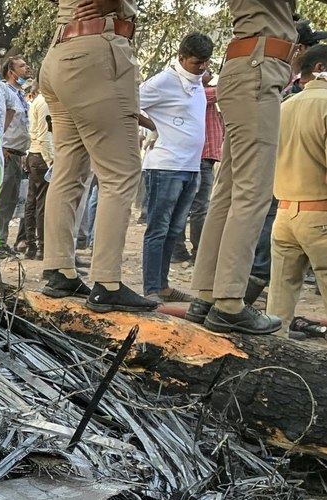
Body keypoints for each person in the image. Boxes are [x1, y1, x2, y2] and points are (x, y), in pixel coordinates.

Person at [37, 0, 156, 313]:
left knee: (68, 168)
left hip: (61, 52)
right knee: (121, 173)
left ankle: (60, 269)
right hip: (97, 49)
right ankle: (108, 282)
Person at [187, 1, 297, 333]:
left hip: (248, 65)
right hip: (259, 66)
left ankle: (208, 294)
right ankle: (230, 302)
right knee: (252, 191)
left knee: (230, 190)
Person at [136, 32, 213, 303]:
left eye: (205, 62)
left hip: (191, 168)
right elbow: (129, 104)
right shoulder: (163, 81)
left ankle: (164, 286)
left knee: (173, 229)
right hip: (165, 167)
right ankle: (151, 289)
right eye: (196, 62)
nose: (202, 67)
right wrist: (154, 126)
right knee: (158, 228)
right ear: (181, 58)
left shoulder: (197, 83)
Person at [267, 43, 327, 338]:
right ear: (320, 68)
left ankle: (268, 367)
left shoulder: (284, 106)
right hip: (320, 215)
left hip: (285, 213)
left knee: (277, 309)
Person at [173, 69, 221, 263]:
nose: (208, 71)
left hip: (200, 158)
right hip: (201, 158)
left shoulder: (202, 93)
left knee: (187, 206)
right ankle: (198, 251)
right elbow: (226, 89)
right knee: (199, 207)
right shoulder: (200, 93)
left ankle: (179, 249)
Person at [0, 57, 32, 243]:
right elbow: (0, 117)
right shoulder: (4, 91)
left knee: (12, 201)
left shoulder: (22, 94)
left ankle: (2, 240)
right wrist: (1, 145)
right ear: (11, 72)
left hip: (19, 153)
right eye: (22, 66)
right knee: (2, 200)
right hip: (7, 151)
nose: (27, 68)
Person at [16, 89, 51, 259]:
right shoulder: (45, 103)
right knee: (41, 203)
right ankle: (41, 246)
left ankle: (32, 245)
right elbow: (44, 136)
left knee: (32, 202)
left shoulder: (39, 101)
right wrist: (51, 161)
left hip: (36, 155)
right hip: (42, 157)